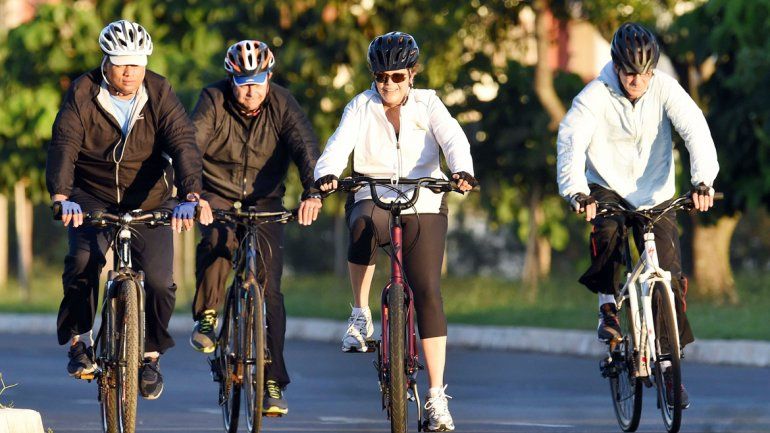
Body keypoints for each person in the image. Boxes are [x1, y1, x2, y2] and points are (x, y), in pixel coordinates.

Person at [315, 31, 476, 432]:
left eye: (397, 77)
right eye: (381, 77)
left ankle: (436, 398)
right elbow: (338, 145)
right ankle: (360, 314)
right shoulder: (360, 105)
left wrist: (461, 170)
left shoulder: (429, 103)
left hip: (424, 200)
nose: (388, 84)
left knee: (428, 292)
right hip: (373, 194)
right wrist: (327, 174)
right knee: (361, 223)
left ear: (412, 75)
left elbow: (453, 138)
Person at [556, 22, 720, 408]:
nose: (638, 81)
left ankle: (669, 368)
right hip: (606, 187)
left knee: (669, 275)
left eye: (645, 73)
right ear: (616, 66)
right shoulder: (594, 96)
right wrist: (576, 191)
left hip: (656, 193)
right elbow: (571, 141)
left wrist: (703, 182)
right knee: (607, 234)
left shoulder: (665, 89)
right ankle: (608, 307)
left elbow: (696, 130)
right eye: (630, 72)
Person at [47, 19, 209, 400]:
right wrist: (61, 195)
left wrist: (191, 194)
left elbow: (183, 142)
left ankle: (150, 356)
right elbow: (64, 144)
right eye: (121, 64)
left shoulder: (160, 91)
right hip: (92, 195)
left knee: (160, 281)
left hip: (150, 198)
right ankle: (79, 340)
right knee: (83, 261)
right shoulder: (83, 92)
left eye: (136, 64)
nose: (130, 72)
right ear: (106, 62)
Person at [188, 39, 322, 416]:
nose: (251, 91)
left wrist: (313, 192)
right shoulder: (213, 99)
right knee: (218, 241)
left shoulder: (282, 103)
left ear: (269, 77)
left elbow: (305, 148)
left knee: (270, 289)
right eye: (243, 83)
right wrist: (193, 194)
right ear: (231, 80)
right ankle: (208, 315)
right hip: (216, 191)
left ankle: (273, 380)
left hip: (264, 199)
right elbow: (190, 146)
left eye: (258, 82)